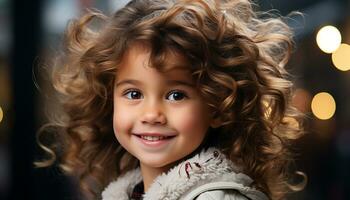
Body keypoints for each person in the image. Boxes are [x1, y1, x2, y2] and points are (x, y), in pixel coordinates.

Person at [35, 0, 306, 199]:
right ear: (110, 100)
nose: (151, 113)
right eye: (133, 94)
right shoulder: (129, 192)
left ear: (218, 106)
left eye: (176, 95)